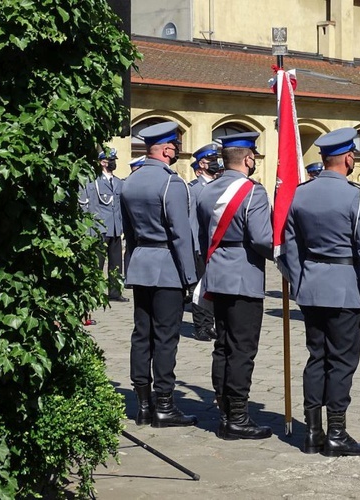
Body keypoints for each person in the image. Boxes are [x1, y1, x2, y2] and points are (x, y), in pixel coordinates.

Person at [282, 127, 360, 456]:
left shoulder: (300, 193)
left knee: (316, 358)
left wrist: (300, 281)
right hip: (344, 289)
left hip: (311, 287)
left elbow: (290, 247)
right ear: (349, 158)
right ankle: (336, 434)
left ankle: (312, 433)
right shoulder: (358, 195)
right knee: (341, 362)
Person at [196, 131, 274, 440]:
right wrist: (285, 250)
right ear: (249, 158)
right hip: (244, 278)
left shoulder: (206, 190)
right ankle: (238, 417)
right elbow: (261, 239)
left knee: (223, 346)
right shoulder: (253, 192)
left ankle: (224, 410)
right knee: (242, 350)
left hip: (217, 274)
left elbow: (202, 234)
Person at [120, 121, 198, 428]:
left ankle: (142, 405)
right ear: (167, 149)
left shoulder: (131, 181)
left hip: (141, 263)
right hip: (167, 266)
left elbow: (128, 231)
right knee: (166, 338)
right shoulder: (171, 183)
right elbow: (181, 235)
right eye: (175, 147)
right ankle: (164, 404)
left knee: (142, 335)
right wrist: (190, 277)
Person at [187, 142, 223, 342]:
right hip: (200, 246)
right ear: (202, 164)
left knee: (214, 287)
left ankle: (211, 324)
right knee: (200, 288)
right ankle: (201, 326)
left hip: (215, 245)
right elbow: (192, 220)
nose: (215, 164)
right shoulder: (193, 189)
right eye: (211, 161)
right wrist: (194, 247)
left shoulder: (218, 186)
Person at [82, 148, 128, 302]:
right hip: (100, 227)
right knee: (98, 263)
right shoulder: (93, 182)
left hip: (115, 228)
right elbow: (85, 205)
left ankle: (115, 292)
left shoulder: (118, 182)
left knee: (116, 263)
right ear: (103, 162)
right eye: (111, 160)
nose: (114, 162)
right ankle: (94, 292)